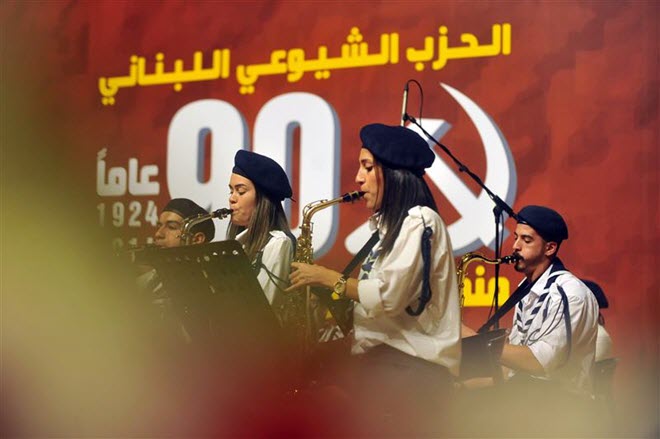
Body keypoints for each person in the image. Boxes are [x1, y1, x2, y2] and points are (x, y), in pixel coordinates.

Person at [287, 123, 461, 435]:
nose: (358, 178)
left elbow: (389, 297)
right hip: (386, 367)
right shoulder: (389, 228)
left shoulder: (420, 221)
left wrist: (327, 278)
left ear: (393, 174)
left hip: (411, 374)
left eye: (367, 167)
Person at [227, 150, 295, 323]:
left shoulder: (278, 243)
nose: (232, 199)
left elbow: (263, 307)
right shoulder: (239, 243)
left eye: (241, 191)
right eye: (231, 191)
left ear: (262, 199)